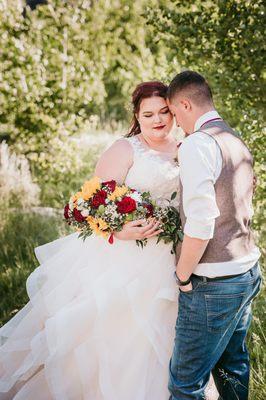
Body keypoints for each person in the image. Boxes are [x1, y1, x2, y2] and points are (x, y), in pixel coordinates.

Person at [0, 81, 185, 400]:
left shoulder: (187, 146)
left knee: (162, 337)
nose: (157, 120)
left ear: (174, 111)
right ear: (137, 117)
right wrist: (121, 232)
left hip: (170, 257)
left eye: (164, 111)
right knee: (111, 334)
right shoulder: (126, 149)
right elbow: (86, 206)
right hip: (122, 257)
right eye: (148, 114)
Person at [167, 70, 261, 400]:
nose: (176, 124)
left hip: (213, 282)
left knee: (185, 383)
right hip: (247, 271)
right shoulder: (233, 137)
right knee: (232, 366)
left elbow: (201, 222)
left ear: (184, 104)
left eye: (175, 114)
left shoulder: (198, 144)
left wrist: (182, 275)